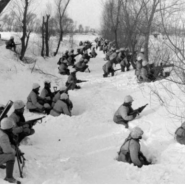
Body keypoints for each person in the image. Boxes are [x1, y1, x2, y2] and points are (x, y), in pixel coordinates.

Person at [0, 118, 21, 184]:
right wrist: (14, 149)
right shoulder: (3, 136)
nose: (12, 129)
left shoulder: (2, 131)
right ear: (8, 129)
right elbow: (7, 151)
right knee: (11, 156)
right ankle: (9, 177)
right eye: (11, 128)